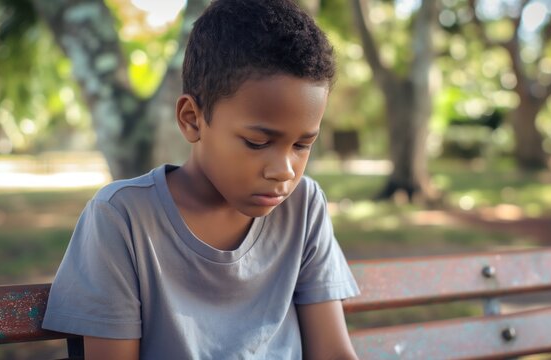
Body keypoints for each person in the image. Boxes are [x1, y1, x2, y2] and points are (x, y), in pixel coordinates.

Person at [42, 0, 360, 358]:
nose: (284, 170)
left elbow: (333, 352)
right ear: (192, 119)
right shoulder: (122, 219)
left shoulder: (304, 207)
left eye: (303, 145)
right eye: (258, 142)